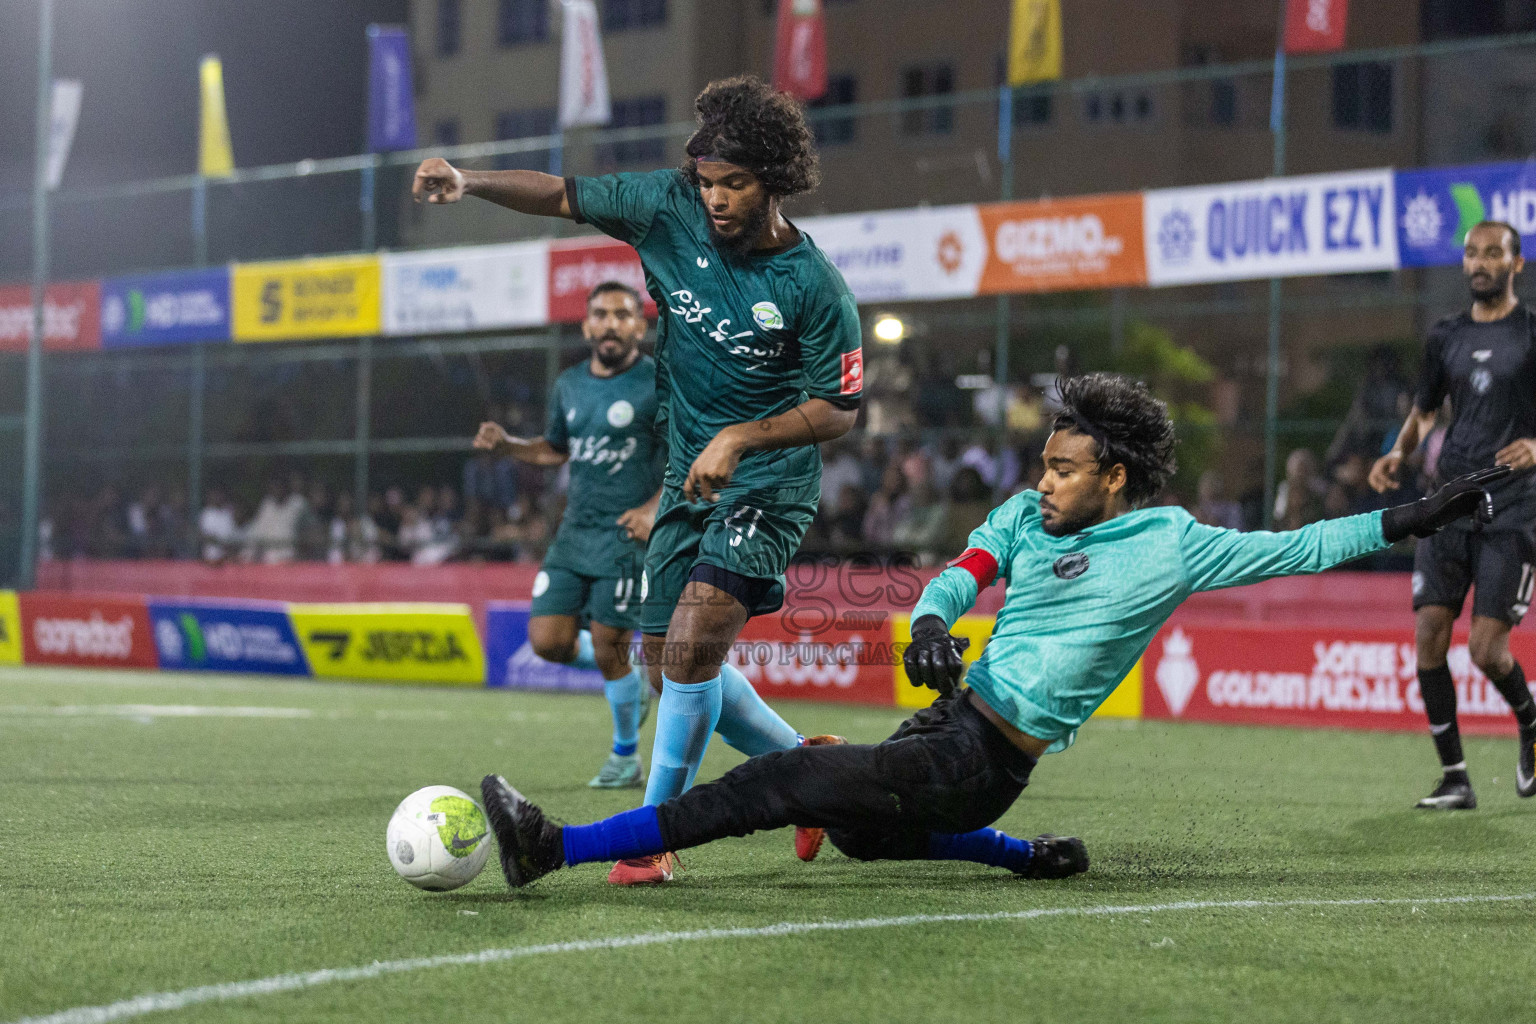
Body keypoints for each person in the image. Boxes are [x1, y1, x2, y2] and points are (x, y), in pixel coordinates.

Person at [474, 374, 1504, 890]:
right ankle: (1005, 849)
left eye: (1064, 467)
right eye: (1043, 461)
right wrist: (928, 627)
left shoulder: (1174, 544)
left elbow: (1306, 545)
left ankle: (553, 846)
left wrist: (1417, 513)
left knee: (771, 784)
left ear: (1115, 475)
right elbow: (956, 581)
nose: (1042, 478)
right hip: (949, 724)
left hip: (987, 759)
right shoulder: (1021, 515)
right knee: (871, 836)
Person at [417, 76, 862, 884]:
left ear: (776, 181)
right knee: (666, 666)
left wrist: (740, 436)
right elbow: (560, 195)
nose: (717, 199)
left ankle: (649, 841)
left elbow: (839, 407)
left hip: (768, 485)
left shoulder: (814, 285)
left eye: (737, 183)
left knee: (690, 652)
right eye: (708, 182)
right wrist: (470, 180)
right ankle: (811, 774)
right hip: (688, 479)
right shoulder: (665, 206)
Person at [1368, 219, 1536, 810]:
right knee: (1429, 637)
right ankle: (1456, 778)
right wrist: (1398, 452)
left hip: (1513, 509)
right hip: (1448, 504)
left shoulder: (1532, 333)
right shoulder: (1444, 336)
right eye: (1471, 253)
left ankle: (1530, 724)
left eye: (1494, 253)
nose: (1480, 262)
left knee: (1487, 650)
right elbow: (1424, 412)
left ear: (1517, 263)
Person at [473, 282, 664, 791]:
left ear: (639, 327)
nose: (610, 324)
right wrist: (509, 445)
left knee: (608, 649)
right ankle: (626, 679)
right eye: (600, 314)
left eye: (622, 315)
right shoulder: (570, 384)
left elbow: (690, 451)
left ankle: (625, 756)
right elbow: (556, 448)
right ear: (586, 326)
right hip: (575, 533)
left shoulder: (657, 383)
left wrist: (653, 507)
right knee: (548, 642)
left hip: (627, 536)